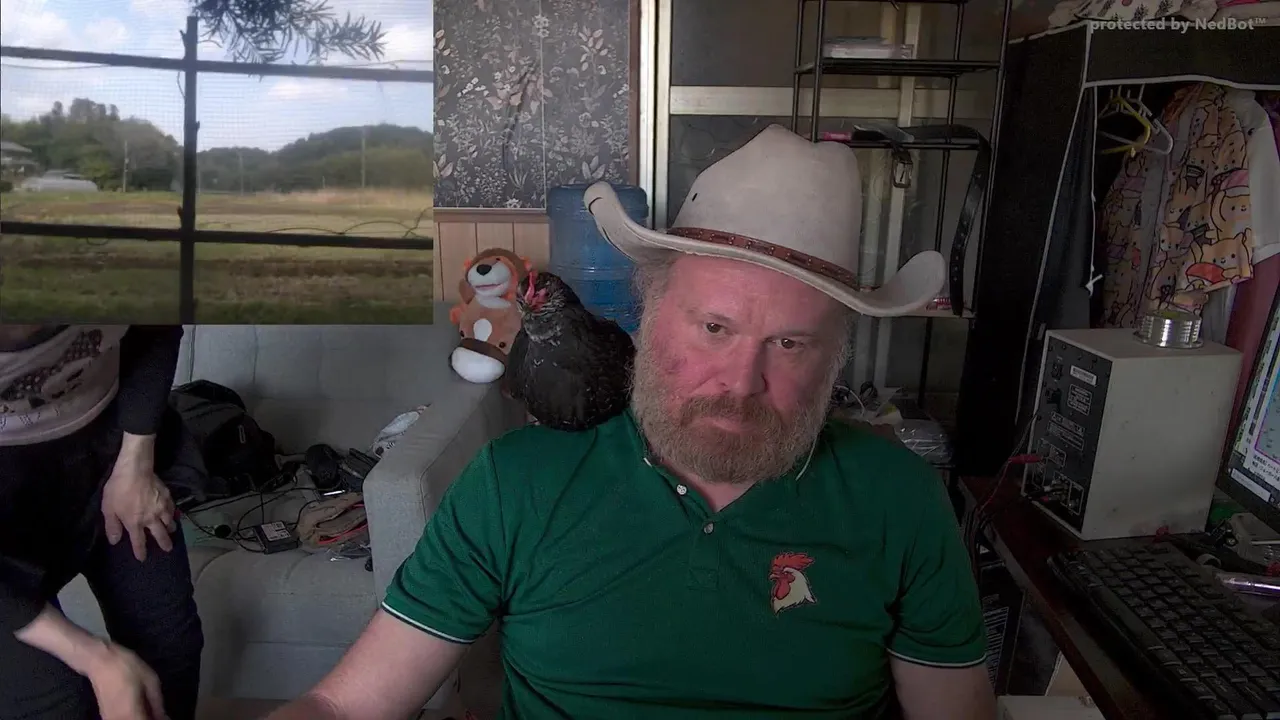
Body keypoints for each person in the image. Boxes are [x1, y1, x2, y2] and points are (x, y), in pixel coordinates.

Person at [268, 125, 995, 719]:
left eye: (790, 343)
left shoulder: (899, 500)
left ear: (834, 356)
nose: (741, 383)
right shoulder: (515, 485)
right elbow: (344, 706)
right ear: (649, 311)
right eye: (714, 328)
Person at [1, 325, 204, 720]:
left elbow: (156, 322)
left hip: (110, 453)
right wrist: (95, 657)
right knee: (55, 698)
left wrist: (135, 463)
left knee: (170, 648)